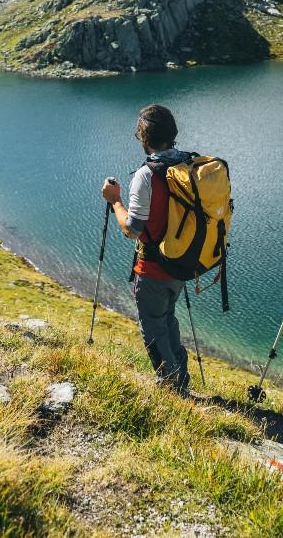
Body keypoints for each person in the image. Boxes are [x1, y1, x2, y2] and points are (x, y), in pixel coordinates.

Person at [101, 104, 194, 394]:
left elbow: (132, 230)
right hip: (182, 264)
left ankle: (172, 389)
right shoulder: (189, 165)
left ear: (144, 138)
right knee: (166, 319)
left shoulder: (146, 175)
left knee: (153, 327)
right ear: (173, 133)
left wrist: (114, 200)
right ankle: (181, 380)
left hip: (153, 269)